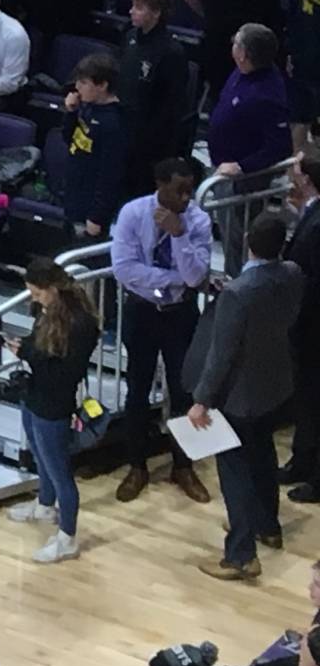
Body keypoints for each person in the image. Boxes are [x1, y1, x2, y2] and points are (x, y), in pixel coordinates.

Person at [190, 209, 303, 581]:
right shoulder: (292, 273)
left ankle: (241, 554)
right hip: (274, 382)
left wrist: (202, 399)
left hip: (239, 394)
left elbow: (221, 356)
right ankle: (267, 525)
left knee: (234, 470)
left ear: (246, 244)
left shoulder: (238, 294)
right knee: (263, 454)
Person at [113, 157, 217, 507]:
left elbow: (195, 276)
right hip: (141, 312)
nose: (186, 197)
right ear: (160, 184)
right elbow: (125, 270)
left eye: (189, 189)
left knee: (183, 390)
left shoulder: (198, 221)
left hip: (180, 315)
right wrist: (172, 281)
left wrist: (179, 235)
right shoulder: (132, 213)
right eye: (179, 190)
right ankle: (137, 466)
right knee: (137, 391)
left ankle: (183, 466)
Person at [10, 256, 97, 563]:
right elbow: (40, 349)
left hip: (55, 403)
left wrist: (28, 352)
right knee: (40, 456)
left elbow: (63, 371)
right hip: (34, 395)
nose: (33, 299)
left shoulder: (80, 323)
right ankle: (44, 504)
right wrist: (28, 349)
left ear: (53, 288)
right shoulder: (47, 311)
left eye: (36, 293)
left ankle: (67, 538)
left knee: (60, 472)